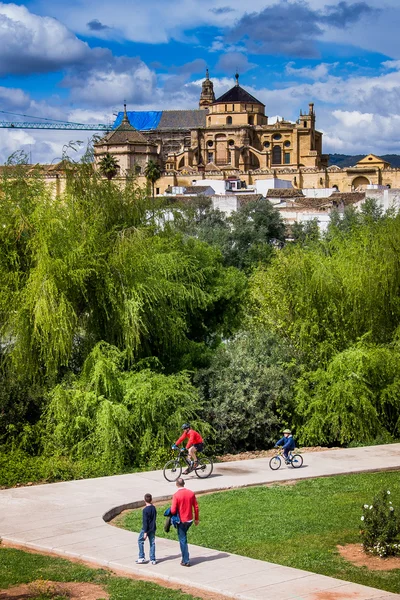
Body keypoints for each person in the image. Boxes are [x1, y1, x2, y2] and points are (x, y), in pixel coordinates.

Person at [171, 477, 199, 567]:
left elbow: (173, 510)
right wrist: (196, 519)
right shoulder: (191, 493)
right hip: (190, 520)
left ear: (176, 484)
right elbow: (196, 507)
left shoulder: (176, 495)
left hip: (182, 521)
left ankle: (186, 560)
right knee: (184, 538)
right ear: (184, 483)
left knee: (182, 540)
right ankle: (184, 558)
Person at [136, 493, 157, 565]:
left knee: (140, 540)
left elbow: (145, 522)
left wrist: (145, 532)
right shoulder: (153, 508)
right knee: (152, 543)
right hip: (152, 528)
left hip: (146, 529)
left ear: (144, 500)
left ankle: (141, 557)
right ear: (151, 500)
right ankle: (153, 559)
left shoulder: (145, 510)